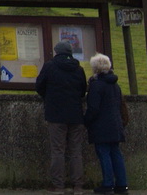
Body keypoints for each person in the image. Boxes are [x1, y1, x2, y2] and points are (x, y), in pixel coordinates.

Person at [35, 39, 87, 195]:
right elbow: (83, 90)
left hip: (56, 114)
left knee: (58, 150)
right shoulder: (78, 68)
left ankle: (59, 186)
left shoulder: (50, 66)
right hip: (75, 114)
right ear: (70, 53)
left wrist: (49, 97)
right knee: (76, 151)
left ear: (56, 52)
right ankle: (78, 186)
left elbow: (39, 86)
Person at [84, 52, 128, 194]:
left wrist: (86, 121)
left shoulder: (96, 86)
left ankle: (108, 184)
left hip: (101, 125)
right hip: (115, 124)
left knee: (104, 153)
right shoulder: (115, 85)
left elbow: (94, 108)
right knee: (116, 153)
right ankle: (122, 185)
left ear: (95, 69)